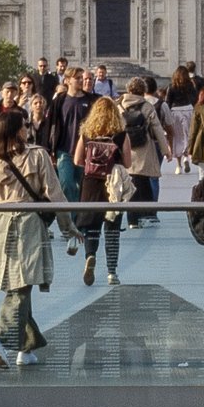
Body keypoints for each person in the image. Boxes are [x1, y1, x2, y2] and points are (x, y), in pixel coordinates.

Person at [0, 107, 69, 368]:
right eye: (25, 124)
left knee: (18, 282)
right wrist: (69, 226)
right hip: (27, 224)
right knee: (21, 285)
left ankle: (27, 348)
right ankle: (0, 336)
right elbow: (55, 193)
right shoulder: (37, 156)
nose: (28, 128)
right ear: (17, 131)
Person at [72, 94, 133, 288]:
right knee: (112, 229)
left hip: (91, 183)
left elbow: (77, 160)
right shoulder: (121, 134)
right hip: (113, 184)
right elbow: (129, 162)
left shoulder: (87, 133)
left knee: (92, 227)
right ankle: (112, 273)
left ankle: (90, 256)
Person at [119, 75, 165, 219]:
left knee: (130, 183)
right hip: (144, 148)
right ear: (143, 91)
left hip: (125, 149)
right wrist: (166, 150)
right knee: (144, 182)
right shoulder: (147, 106)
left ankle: (132, 218)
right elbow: (157, 129)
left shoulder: (119, 105)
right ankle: (147, 214)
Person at [49, 67, 93, 200]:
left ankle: (79, 217)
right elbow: (50, 125)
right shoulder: (59, 101)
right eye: (77, 78)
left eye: (82, 77)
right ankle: (72, 218)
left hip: (86, 152)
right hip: (64, 150)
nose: (81, 80)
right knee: (66, 184)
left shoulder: (91, 100)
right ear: (67, 80)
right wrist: (50, 149)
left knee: (83, 186)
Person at [166, 67, 196, 169]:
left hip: (175, 111)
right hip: (188, 110)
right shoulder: (190, 85)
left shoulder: (171, 86)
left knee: (177, 137)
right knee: (187, 135)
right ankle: (186, 157)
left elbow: (168, 102)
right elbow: (194, 99)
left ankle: (178, 165)